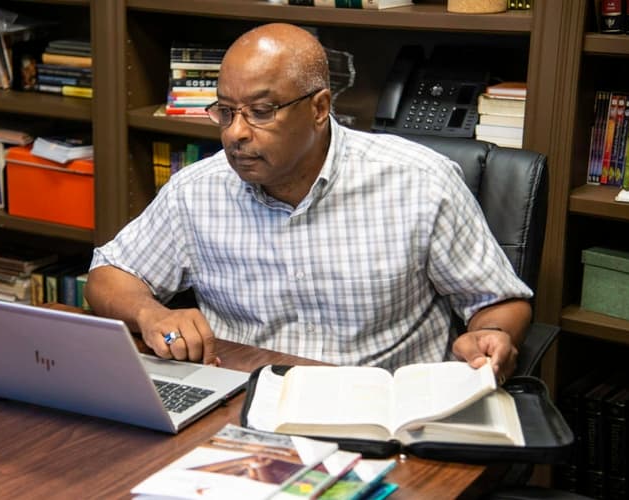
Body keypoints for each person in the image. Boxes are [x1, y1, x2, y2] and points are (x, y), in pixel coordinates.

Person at [85, 23, 532, 381]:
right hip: (242, 407)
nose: (236, 133)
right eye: (225, 111)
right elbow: (108, 275)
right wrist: (151, 312)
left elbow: (499, 300)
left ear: (319, 108)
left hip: (380, 414)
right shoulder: (197, 190)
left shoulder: (420, 182)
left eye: (261, 112)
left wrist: (490, 336)